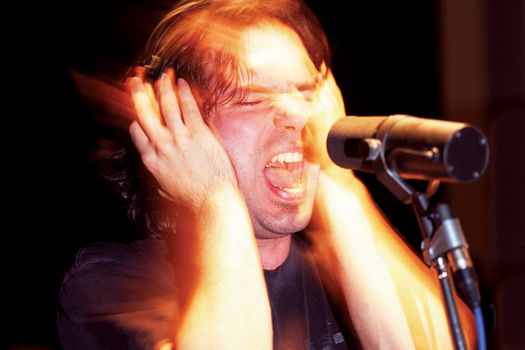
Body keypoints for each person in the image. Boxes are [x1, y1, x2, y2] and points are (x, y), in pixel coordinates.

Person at [57, 0, 476, 348]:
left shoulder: (348, 268)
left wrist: (335, 179)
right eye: (250, 99)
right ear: (172, 125)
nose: (297, 115)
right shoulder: (111, 283)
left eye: (305, 92)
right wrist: (214, 198)